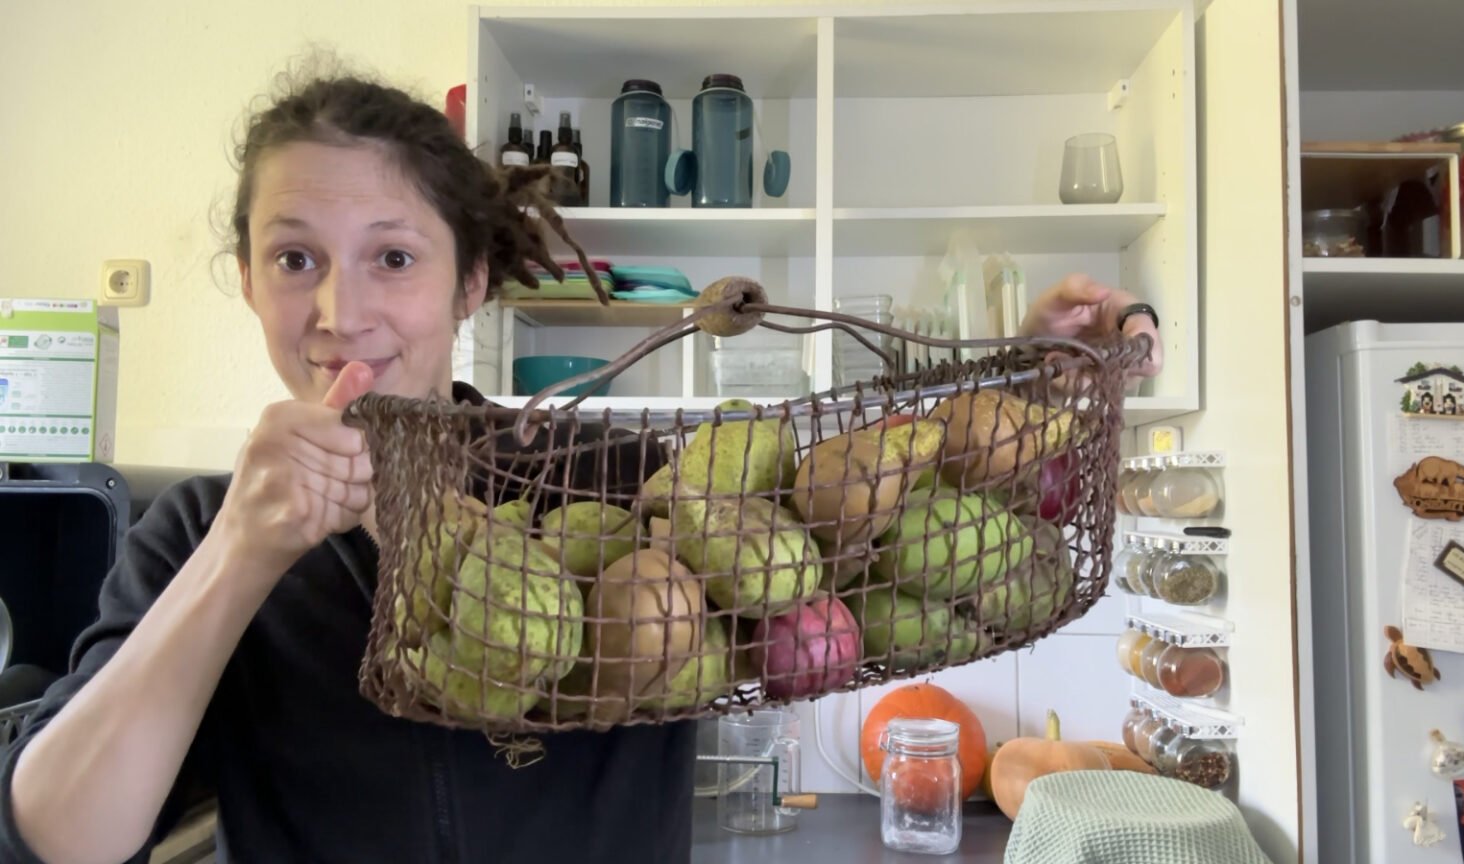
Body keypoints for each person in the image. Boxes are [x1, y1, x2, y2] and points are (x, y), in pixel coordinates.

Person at [0, 67, 1162, 864]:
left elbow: (848, 552)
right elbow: (63, 833)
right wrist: (239, 560)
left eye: (392, 257)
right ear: (249, 282)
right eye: (294, 257)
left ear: (467, 287)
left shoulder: (609, 481)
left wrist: (1014, 399)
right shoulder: (195, 533)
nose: (340, 311)